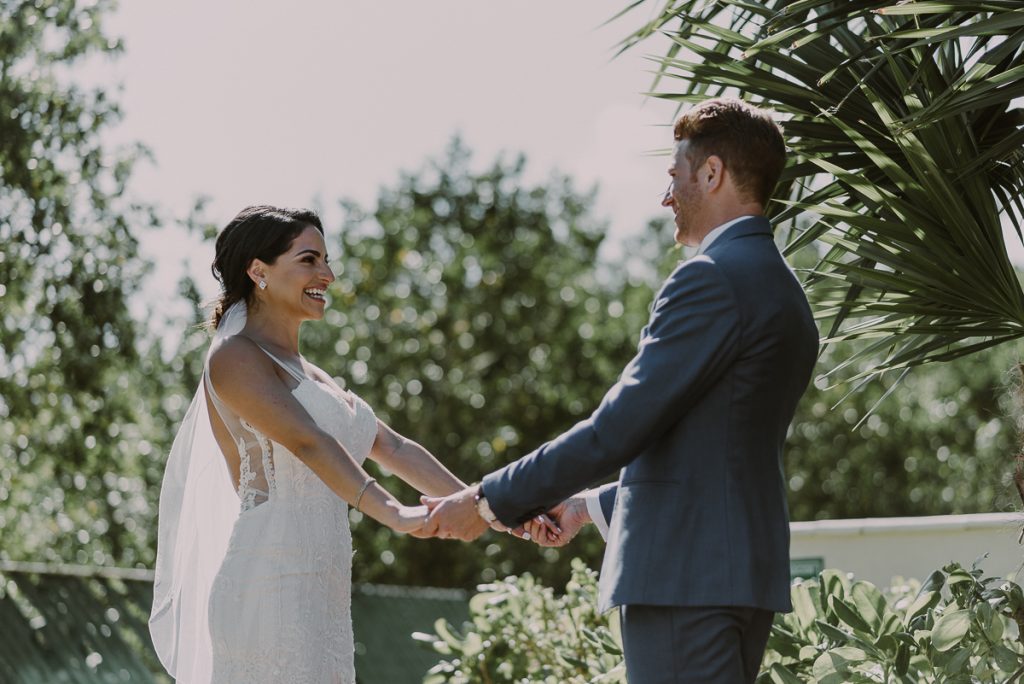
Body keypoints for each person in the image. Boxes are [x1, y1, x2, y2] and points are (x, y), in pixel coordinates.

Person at [422, 98, 820, 683]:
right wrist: (586, 506)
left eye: (675, 176)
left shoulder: (710, 277)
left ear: (711, 174)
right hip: (737, 576)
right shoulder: (786, 292)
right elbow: (713, 448)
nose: (666, 197)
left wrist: (487, 500)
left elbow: (618, 427)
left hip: (682, 579)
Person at [149, 205, 468, 683]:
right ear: (258, 271)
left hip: (324, 592)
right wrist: (398, 515)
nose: (328, 274)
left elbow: (395, 448)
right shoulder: (235, 357)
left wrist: (485, 502)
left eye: (326, 260)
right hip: (268, 586)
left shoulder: (313, 376)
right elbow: (308, 443)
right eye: (309, 260)